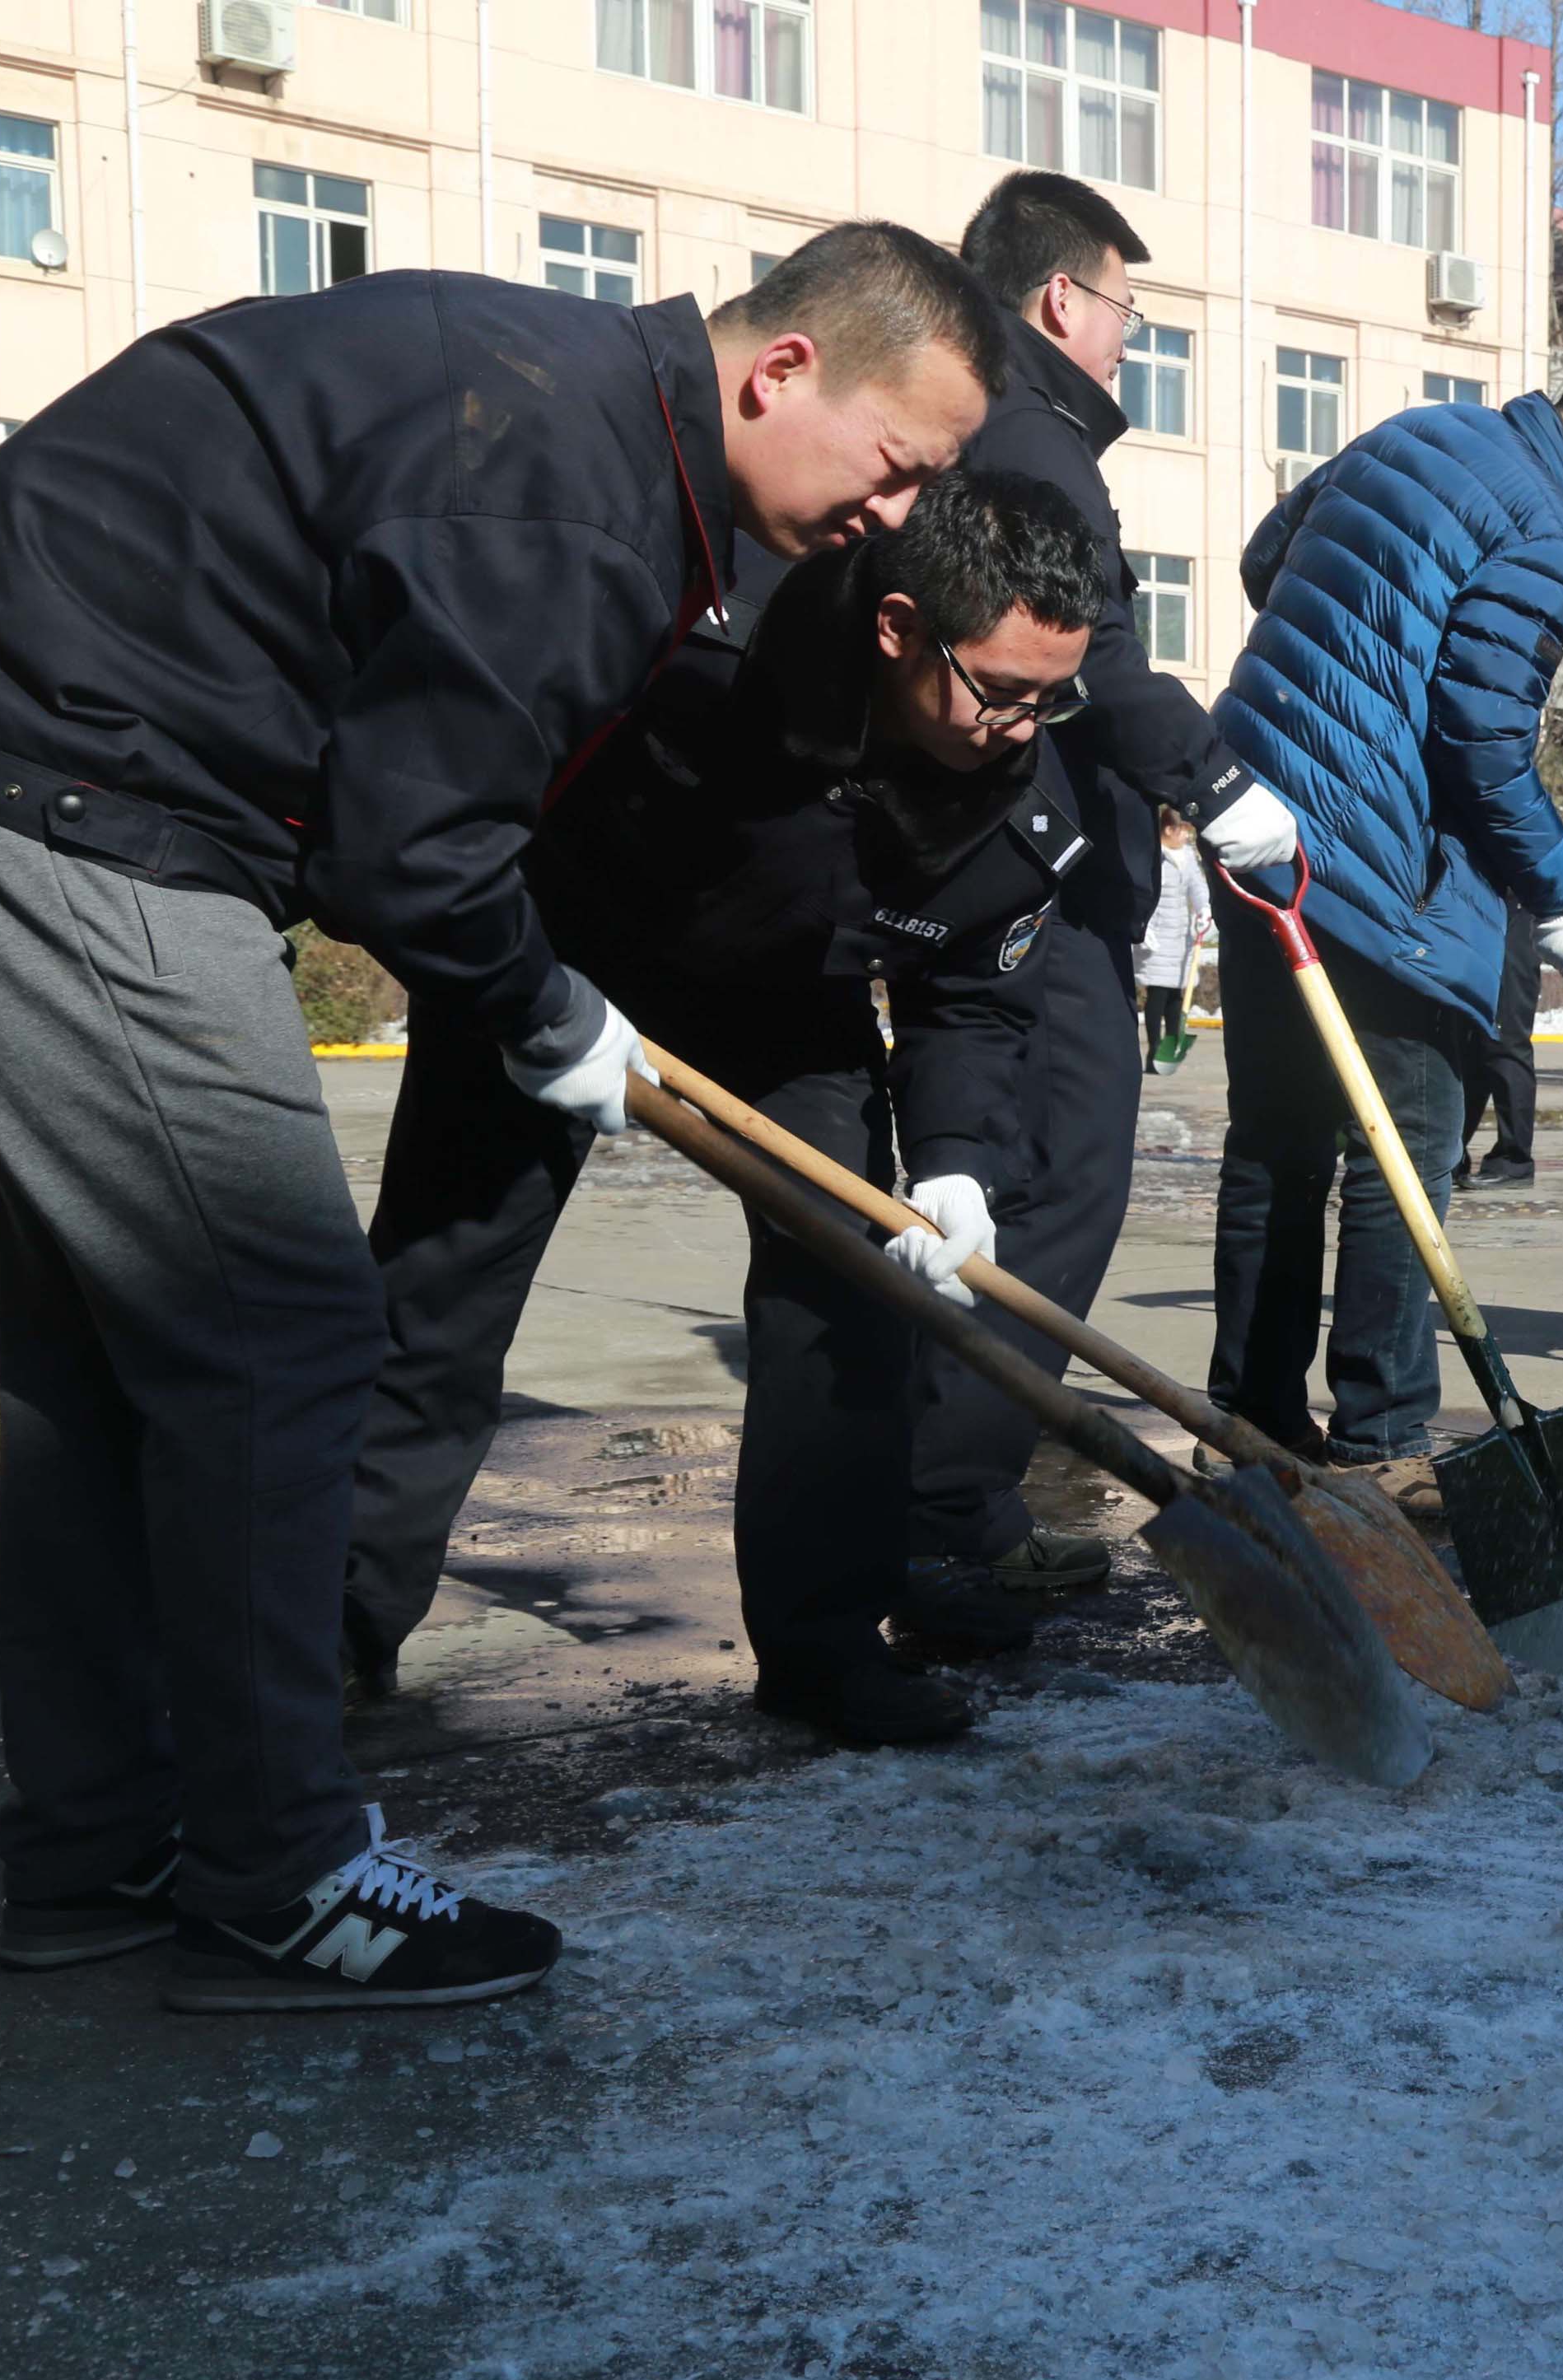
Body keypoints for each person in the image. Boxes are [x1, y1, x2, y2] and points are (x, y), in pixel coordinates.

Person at [0, 222, 1001, 2007]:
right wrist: (550, 1014)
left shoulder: (581, 421)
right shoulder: (573, 484)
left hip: (42, 752)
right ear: (784, 370)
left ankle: (100, 1846)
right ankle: (282, 1878)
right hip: (76, 786)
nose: (898, 512)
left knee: (114, 1361)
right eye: (899, 464)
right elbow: (419, 848)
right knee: (281, 1322)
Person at [350, 466, 1097, 1743]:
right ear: (898, 627)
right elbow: (487, 771)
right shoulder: (695, 646)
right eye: (1000, 691)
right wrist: (522, 985)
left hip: (781, 1010)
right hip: (554, 959)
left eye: (1053, 695)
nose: (1023, 726)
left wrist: (959, 1161)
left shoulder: (1017, 807)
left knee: (847, 1292)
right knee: (440, 1292)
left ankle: (825, 1651)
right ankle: (329, 1634)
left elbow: (971, 997)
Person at [1201, 349, 1563, 1474]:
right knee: (1408, 1148)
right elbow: (1480, 745)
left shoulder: (1412, 434)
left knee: (1276, 1144)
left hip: (1249, 811)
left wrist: (1341, 680)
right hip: (1383, 869)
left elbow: (1264, 559)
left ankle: (1249, 1422)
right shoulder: (1539, 525)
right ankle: (1381, 1439)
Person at [902, 172, 1282, 1605]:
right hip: (1041, 883)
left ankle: (954, 1490)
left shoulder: (1014, 430)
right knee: (1058, 1191)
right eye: (1128, 307)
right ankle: (943, 1500)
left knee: (1027, 1187)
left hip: (1043, 874)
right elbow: (1094, 660)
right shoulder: (1030, 444)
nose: (1132, 336)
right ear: (1062, 297)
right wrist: (1214, 778)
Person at [1458, 903, 1542, 1185]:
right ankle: (1451, 1153)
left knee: (1506, 1043)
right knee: (1469, 1046)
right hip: (1477, 920)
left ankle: (1513, 1160)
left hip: (1508, 920)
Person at [1136, 805, 1210, 1073]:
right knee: (1158, 993)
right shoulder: (1154, 856)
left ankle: (1172, 1042)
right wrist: (1143, 928)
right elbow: (1142, 892)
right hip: (1156, 936)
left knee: (1177, 994)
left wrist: (1204, 910)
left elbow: (1197, 887)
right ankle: (1154, 1048)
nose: (1186, 836)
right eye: (1182, 830)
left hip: (1181, 936)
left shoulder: (1187, 856)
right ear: (1169, 829)